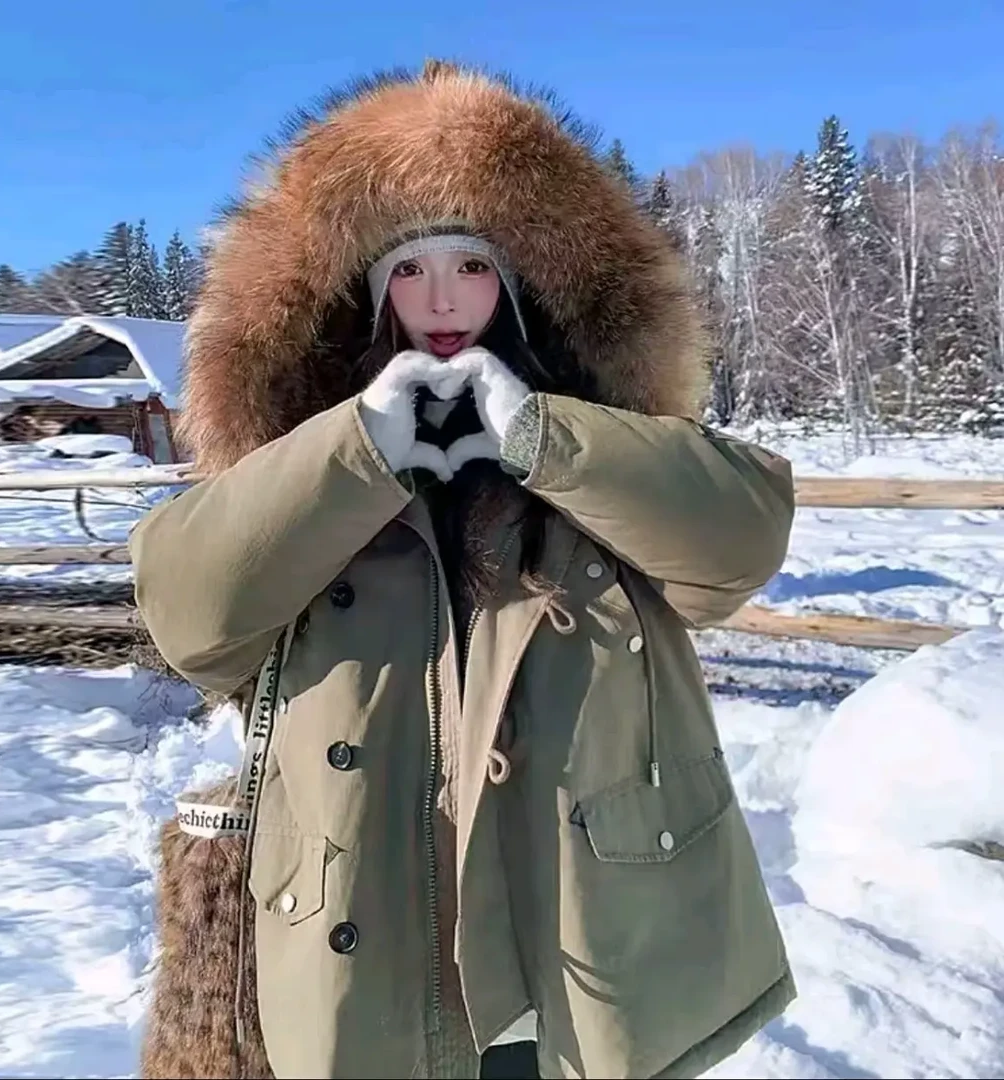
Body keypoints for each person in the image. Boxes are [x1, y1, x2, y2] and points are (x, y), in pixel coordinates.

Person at [132, 61, 797, 1080]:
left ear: (522, 287)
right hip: (370, 942)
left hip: (577, 950)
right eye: (408, 269)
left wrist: (543, 437)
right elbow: (191, 615)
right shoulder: (299, 456)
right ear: (365, 292)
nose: (442, 297)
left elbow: (735, 546)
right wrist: (358, 449)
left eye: (473, 266)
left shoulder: (609, 444)